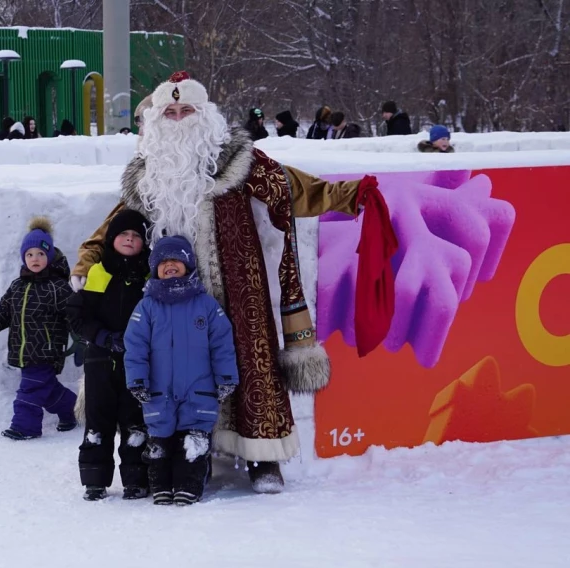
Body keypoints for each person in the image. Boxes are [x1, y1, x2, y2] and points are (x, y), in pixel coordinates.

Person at [69, 71, 396, 493]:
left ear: (205, 114)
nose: (178, 117)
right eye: (169, 111)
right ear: (155, 119)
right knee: (172, 373)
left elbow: (291, 188)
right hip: (168, 295)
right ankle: (190, 457)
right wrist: (86, 259)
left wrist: (351, 195)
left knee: (248, 360)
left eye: (187, 109)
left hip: (234, 284)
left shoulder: (237, 159)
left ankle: (262, 456)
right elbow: (116, 226)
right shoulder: (147, 172)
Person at [124, 235, 238, 506]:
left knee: (195, 438)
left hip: (199, 388)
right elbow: (135, 345)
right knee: (159, 439)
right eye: (163, 262)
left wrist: (225, 378)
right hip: (157, 389)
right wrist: (137, 379)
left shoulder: (206, 305)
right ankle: (162, 486)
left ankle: (189, 486)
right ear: (155, 270)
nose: (170, 265)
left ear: (188, 265)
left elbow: (222, 343)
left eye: (176, 260)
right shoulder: (147, 306)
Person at [69, 210, 151, 502]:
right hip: (100, 360)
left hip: (136, 361)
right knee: (98, 421)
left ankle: (136, 479)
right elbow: (79, 315)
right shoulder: (99, 272)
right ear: (112, 239)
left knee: (135, 420)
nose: (129, 240)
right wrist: (103, 337)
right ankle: (95, 479)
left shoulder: (148, 276)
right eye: (123, 235)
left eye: (136, 236)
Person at [0, 217, 78, 440]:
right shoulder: (17, 286)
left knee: (29, 391)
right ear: (23, 257)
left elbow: (74, 315)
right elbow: (4, 312)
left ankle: (25, 426)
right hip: (24, 351)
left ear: (49, 256)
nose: (35, 258)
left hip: (46, 351)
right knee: (47, 390)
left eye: (40, 253)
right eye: (29, 254)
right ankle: (71, 408)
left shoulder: (57, 287)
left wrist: (80, 340)